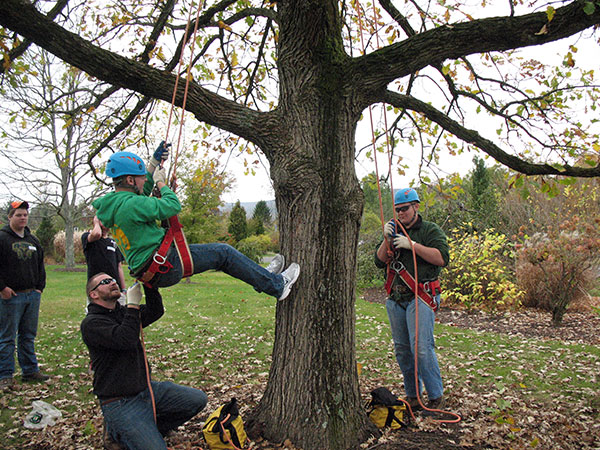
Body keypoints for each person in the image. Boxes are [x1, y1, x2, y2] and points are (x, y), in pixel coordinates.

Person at [92, 144, 300, 300]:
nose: (145, 180)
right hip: (165, 264)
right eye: (140, 177)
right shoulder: (131, 205)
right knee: (223, 253)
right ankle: (277, 286)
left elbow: (141, 193)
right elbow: (172, 205)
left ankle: (261, 278)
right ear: (130, 180)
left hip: (154, 269)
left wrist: (154, 164)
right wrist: (161, 182)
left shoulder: (115, 204)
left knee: (223, 256)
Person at [81, 272, 207, 450]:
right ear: (93, 294)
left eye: (113, 280)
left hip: (146, 390)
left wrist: (150, 284)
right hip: (120, 402)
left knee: (197, 399)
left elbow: (156, 311)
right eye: (105, 282)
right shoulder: (92, 324)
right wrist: (132, 305)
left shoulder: (122, 312)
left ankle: (151, 429)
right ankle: (117, 434)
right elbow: (126, 339)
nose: (113, 283)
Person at [374, 188, 449, 413]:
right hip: (396, 298)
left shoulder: (429, 230)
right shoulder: (394, 230)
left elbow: (441, 258)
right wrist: (386, 239)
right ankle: (414, 396)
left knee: (422, 348)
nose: (401, 213)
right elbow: (379, 261)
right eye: (397, 210)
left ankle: (436, 397)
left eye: (405, 209)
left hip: (421, 295)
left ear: (416, 206)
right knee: (403, 350)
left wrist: (412, 246)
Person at [0, 201, 49, 390]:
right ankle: (5, 375)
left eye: (25, 215)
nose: (22, 218)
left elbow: (40, 266)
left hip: (32, 296)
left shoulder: (33, 240)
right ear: (10, 217)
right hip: (11, 297)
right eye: (18, 215)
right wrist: (2, 288)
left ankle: (30, 370)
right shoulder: (3, 239)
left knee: (28, 336)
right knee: (7, 337)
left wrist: (39, 288)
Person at [82, 215, 127, 305]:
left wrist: (123, 289)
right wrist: (96, 222)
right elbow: (97, 234)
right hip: (98, 289)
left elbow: (119, 267)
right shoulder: (88, 237)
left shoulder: (113, 242)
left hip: (114, 287)